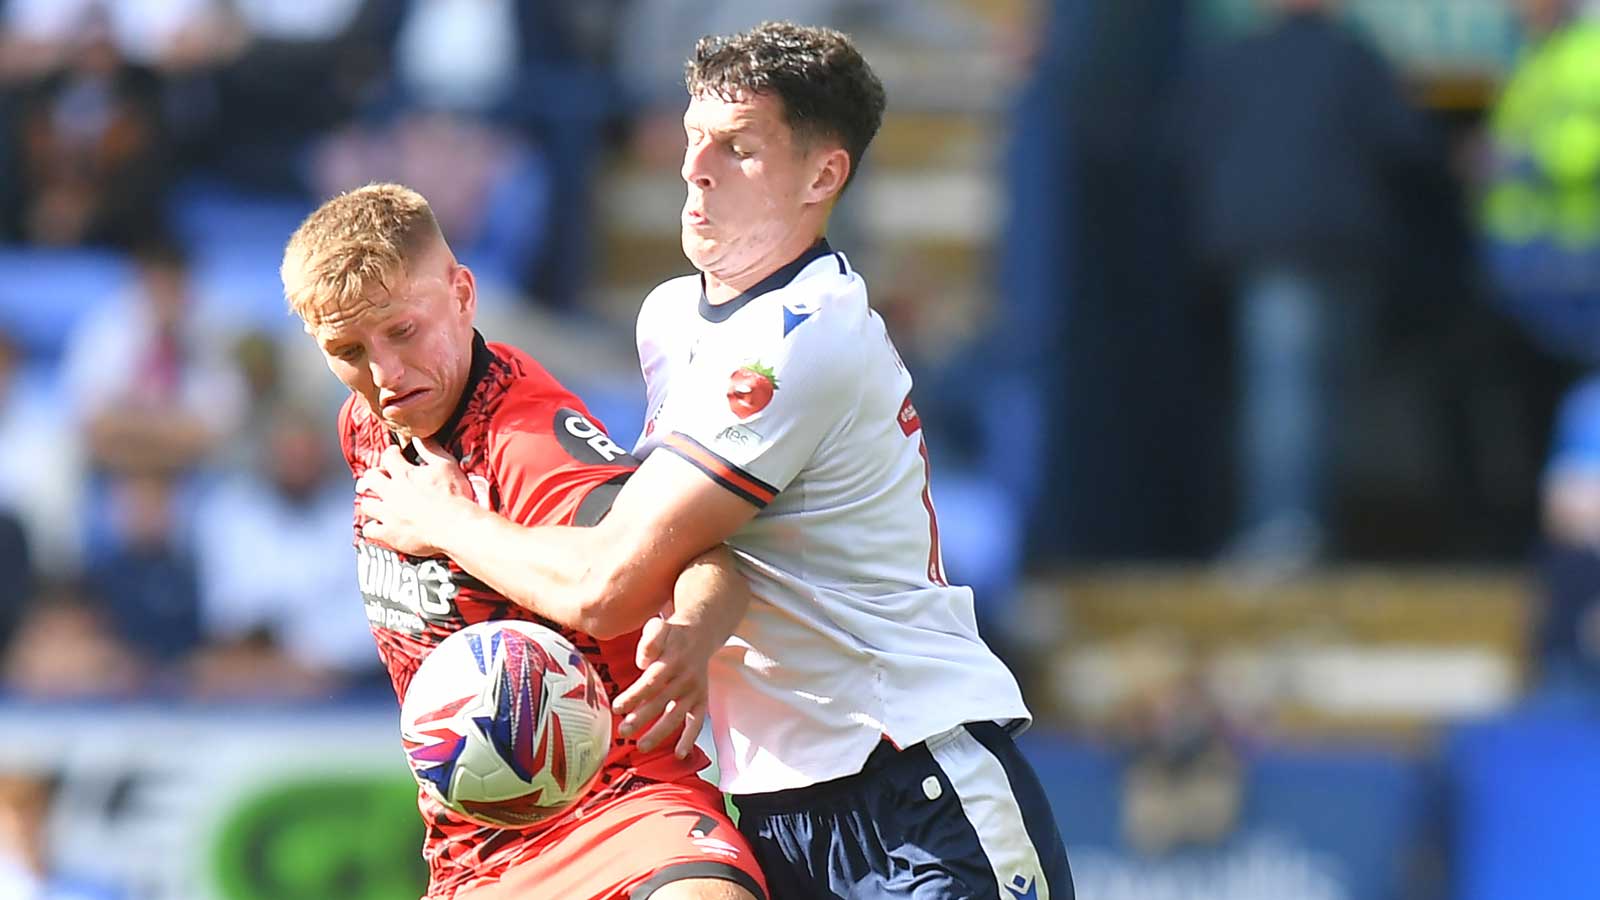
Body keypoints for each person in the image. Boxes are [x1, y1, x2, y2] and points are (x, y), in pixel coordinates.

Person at [358, 22, 1074, 899]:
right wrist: (696, 630)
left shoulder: (802, 336)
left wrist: (448, 520)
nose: (695, 168)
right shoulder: (671, 316)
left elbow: (606, 586)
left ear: (823, 176)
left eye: (738, 147)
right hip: (777, 810)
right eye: (694, 134)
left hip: (912, 788)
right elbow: (712, 546)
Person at [279, 183, 766, 900]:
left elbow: (701, 560)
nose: (383, 375)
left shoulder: (525, 436)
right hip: (474, 855)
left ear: (462, 294)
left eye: (403, 331)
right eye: (347, 350)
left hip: (619, 809)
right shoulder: (368, 422)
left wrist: (690, 632)